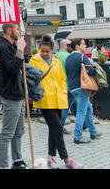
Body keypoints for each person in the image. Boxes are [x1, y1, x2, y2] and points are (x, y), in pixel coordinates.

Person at [29, 35, 82, 169]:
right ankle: (66, 159)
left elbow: (62, 78)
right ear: (39, 49)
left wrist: (64, 90)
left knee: (53, 129)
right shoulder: (34, 61)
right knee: (58, 129)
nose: (45, 54)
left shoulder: (56, 60)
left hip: (59, 98)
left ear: (52, 49)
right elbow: (30, 79)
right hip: (45, 99)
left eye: (47, 51)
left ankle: (50, 157)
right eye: (42, 51)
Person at [0, 23, 29, 169]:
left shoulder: (13, 44)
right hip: (10, 93)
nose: (19, 32)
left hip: (19, 92)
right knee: (7, 132)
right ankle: (3, 165)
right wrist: (20, 49)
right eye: (17, 29)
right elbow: (14, 69)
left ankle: (17, 159)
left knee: (19, 130)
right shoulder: (2, 47)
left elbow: (21, 69)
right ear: (9, 30)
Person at [65, 38, 102, 144]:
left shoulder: (68, 58)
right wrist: (93, 69)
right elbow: (91, 71)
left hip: (72, 87)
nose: (85, 46)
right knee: (81, 112)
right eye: (83, 44)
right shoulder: (82, 57)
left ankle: (93, 131)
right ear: (77, 46)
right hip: (82, 87)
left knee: (88, 108)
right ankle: (77, 136)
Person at [56, 39, 75, 134]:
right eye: (70, 45)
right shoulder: (68, 56)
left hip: (58, 86)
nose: (72, 47)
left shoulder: (55, 55)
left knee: (66, 107)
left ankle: (84, 124)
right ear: (65, 45)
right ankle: (60, 127)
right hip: (68, 85)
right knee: (65, 108)